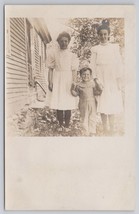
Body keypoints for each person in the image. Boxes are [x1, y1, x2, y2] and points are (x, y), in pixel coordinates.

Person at [90, 20, 124, 135]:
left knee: (112, 101)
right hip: (101, 78)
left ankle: (112, 128)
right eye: (101, 34)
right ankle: (105, 127)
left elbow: (119, 63)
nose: (103, 36)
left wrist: (119, 79)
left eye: (105, 34)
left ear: (108, 34)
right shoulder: (95, 49)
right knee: (103, 102)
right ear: (98, 35)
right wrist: (95, 80)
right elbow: (93, 65)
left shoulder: (114, 48)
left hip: (112, 77)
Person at [47, 31, 78, 132]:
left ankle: (67, 125)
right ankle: (60, 124)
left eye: (66, 41)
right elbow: (51, 69)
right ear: (58, 42)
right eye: (62, 41)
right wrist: (50, 82)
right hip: (58, 79)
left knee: (68, 102)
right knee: (59, 102)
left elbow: (74, 70)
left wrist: (74, 82)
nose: (64, 43)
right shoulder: (54, 54)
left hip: (68, 80)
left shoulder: (72, 55)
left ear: (68, 42)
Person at [71, 67, 97, 136]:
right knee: (84, 117)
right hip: (83, 103)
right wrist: (72, 88)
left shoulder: (93, 84)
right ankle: (85, 132)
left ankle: (92, 131)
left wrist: (99, 86)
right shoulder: (79, 85)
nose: (86, 76)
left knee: (92, 117)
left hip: (92, 103)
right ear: (80, 75)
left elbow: (97, 92)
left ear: (90, 75)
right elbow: (75, 94)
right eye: (84, 74)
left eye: (88, 74)